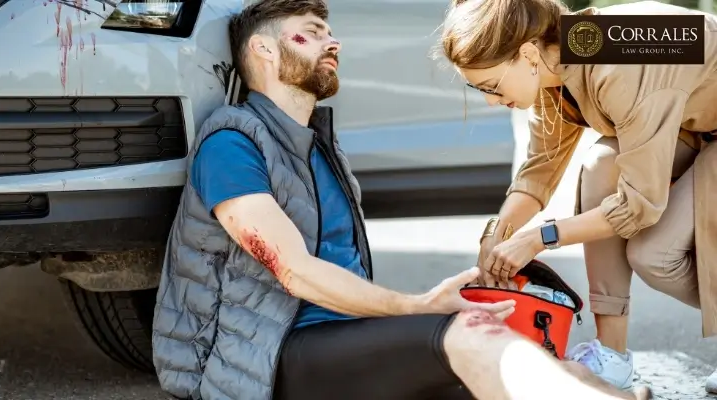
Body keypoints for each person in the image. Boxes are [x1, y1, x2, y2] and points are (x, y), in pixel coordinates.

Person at [151, 0, 655, 399]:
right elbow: (295, 272)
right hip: (263, 361)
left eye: (330, 31)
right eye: (312, 31)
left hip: (338, 341)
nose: (334, 42)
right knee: (470, 335)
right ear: (262, 50)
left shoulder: (320, 146)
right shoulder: (232, 143)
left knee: (539, 366)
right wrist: (418, 307)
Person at [439, 0, 717, 392]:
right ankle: (611, 354)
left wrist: (539, 237)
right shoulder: (558, 66)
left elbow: (640, 206)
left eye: (492, 86)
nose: (489, 100)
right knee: (603, 163)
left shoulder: (621, 58)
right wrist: (496, 235)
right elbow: (540, 170)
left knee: (654, 254)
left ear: (528, 53)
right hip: (696, 123)